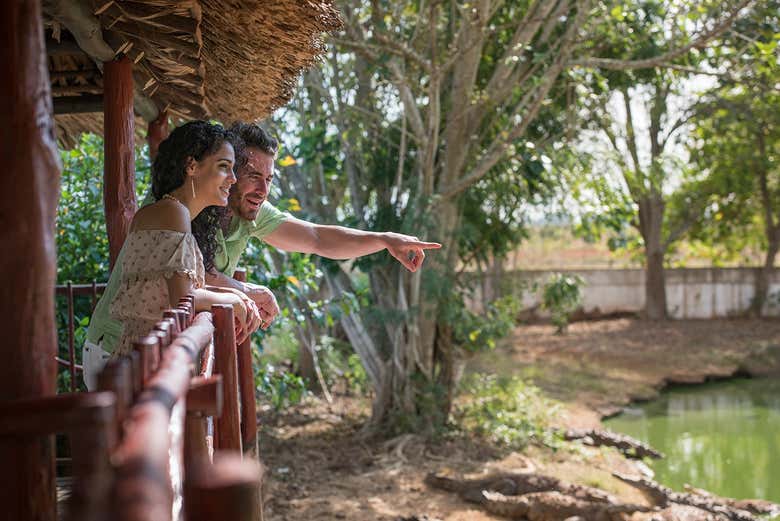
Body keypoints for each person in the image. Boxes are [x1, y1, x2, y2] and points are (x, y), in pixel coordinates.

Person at [82, 121, 260, 390]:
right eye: (224, 166)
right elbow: (183, 298)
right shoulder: (172, 213)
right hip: (138, 365)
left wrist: (237, 296)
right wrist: (233, 298)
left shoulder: (171, 213)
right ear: (192, 166)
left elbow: (172, 290)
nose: (233, 179)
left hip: (137, 359)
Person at [204, 122, 442, 305]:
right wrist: (247, 292)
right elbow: (197, 277)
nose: (263, 191)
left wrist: (384, 240)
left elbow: (318, 239)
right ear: (229, 172)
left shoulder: (253, 212)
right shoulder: (196, 206)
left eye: (268, 180)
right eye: (253, 176)